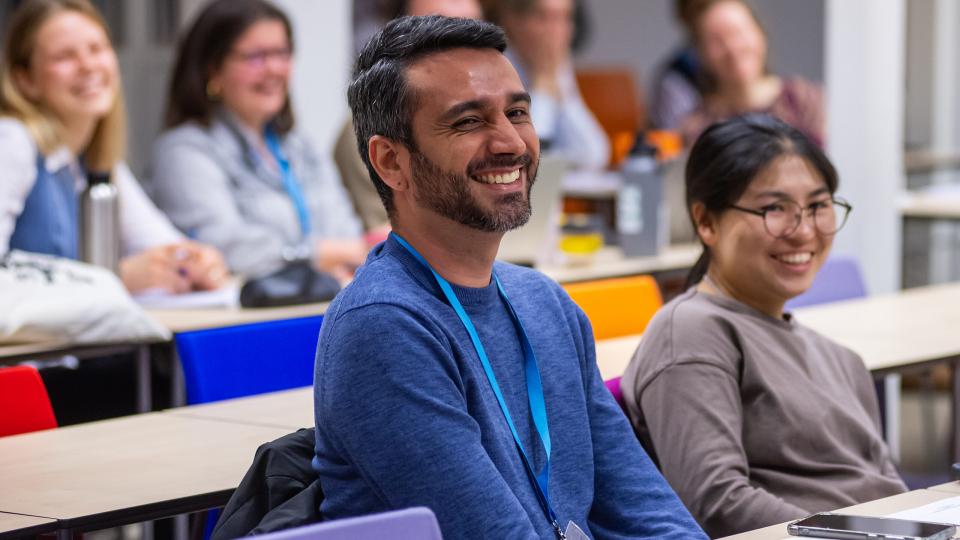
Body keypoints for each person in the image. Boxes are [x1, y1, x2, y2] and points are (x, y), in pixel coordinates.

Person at [313, 15, 706, 539]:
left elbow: (644, 509)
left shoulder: (544, 302)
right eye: (468, 122)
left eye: (517, 112)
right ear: (391, 162)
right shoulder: (384, 327)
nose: (511, 143)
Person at [621, 115, 906, 538]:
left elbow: (891, 493)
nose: (804, 230)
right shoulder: (692, 333)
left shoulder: (842, 360)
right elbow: (718, 503)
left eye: (818, 206)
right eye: (775, 209)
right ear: (706, 222)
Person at [0, 0, 227, 295]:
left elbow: (164, 245)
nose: (88, 66)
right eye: (64, 56)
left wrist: (197, 261)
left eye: (97, 49)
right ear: (25, 80)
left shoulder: (95, 160)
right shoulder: (13, 141)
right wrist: (113, 279)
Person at [151, 0, 365, 281]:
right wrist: (317, 255)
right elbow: (225, 247)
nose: (274, 68)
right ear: (213, 69)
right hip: (236, 318)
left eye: (282, 53)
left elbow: (349, 235)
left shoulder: (299, 145)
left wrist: (337, 255)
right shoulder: (183, 151)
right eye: (256, 56)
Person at [334, 0, 483, 234]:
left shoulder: (494, 122)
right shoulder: (368, 130)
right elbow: (394, 240)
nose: (464, 48)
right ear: (399, 41)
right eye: (442, 31)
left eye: (474, 30)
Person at [483, 0, 609, 170]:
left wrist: (557, 88)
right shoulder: (493, 63)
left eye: (565, 18)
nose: (555, 30)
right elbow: (520, 155)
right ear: (512, 21)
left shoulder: (556, 67)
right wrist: (541, 85)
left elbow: (594, 155)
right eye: (543, 17)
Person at [678, 0, 824, 147]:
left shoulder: (807, 101)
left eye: (738, 32)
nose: (732, 48)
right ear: (701, 54)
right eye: (716, 41)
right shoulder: (697, 128)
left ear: (760, 32)